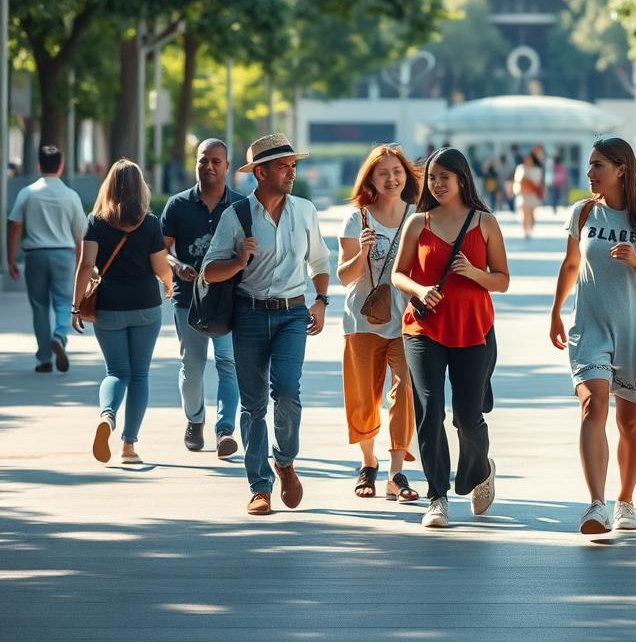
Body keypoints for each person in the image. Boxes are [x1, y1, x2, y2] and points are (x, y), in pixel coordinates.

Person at [549, 136, 636, 535]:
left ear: (621, 169)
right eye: (589, 166)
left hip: (635, 330)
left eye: (597, 166)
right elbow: (571, 265)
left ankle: (625, 500)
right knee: (593, 406)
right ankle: (595, 504)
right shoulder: (583, 213)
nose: (589, 174)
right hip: (589, 328)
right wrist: (555, 311)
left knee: (629, 424)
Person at [202, 133, 330, 516]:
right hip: (250, 314)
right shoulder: (236, 217)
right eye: (282, 166)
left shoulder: (305, 211)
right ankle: (259, 486)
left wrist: (321, 301)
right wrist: (239, 261)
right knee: (254, 404)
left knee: (288, 392)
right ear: (260, 172)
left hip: (293, 313)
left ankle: (285, 461)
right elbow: (209, 272)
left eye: (293, 165)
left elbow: (320, 264)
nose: (291, 172)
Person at [392, 147, 510, 529]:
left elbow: (502, 280)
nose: (437, 184)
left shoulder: (485, 223)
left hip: (473, 330)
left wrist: (475, 272)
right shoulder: (418, 222)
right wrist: (420, 289)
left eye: (445, 177)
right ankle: (437, 496)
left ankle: (480, 468)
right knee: (429, 410)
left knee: (468, 418)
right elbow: (398, 274)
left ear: (462, 178)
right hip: (423, 329)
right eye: (431, 178)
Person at [70, 159, 173, 465]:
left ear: (110, 186)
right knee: (139, 375)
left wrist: (76, 305)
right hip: (145, 307)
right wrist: (168, 284)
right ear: (140, 187)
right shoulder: (151, 223)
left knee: (116, 371)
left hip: (109, 308)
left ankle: (107, 415)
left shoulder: (96, 221)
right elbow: (160, 268)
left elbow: (86, 265)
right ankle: (129, 447)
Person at [336, 144, 420, 503]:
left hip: (406, 322)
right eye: (383, 172)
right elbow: (343, 276)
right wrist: (363, 252)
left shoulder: (419, 215)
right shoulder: (358, 218)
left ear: (406, 176)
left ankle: (395, 472)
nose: (391, 178)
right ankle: (367, 463)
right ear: (370, 177)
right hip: (362, 320)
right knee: (363, 399)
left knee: (404, 394)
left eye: (397, 171)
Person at [160, 138, 243, 458]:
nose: (208, 166)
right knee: (192, 368)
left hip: (228, 299)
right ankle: (194, 421)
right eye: (203, 160)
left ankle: (225, 430)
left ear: (227, 166)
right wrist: (176, 265)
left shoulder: (239, 206)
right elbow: (161, 250)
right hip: (188, 300)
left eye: (216, 161)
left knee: (228, 364)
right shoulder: (177, 205)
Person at [7, 144, 86, 373]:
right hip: (63, 254)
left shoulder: (27, 193)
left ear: (39, 166)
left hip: (35, 255)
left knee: (40, 306)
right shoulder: (71, 196)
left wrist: (10, 258)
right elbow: (80, 235)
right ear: (61, 166)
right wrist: (81, 262)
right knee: (63, 301)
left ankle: (43, 359)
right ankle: (59, 336)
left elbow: (14, 226)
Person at [513, 150, 544, 238]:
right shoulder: (521, 168)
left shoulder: (537, 170)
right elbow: (518, 181)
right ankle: (525, 231)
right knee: (524, 214)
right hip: (523, 195)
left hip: (533, 195)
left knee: (532, 214)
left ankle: (530, 229)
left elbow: (539, 183)